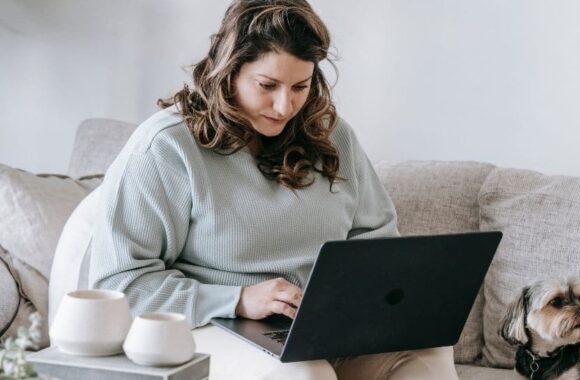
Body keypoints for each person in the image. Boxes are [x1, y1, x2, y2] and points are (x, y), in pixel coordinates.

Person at [88, 0, 459, 378]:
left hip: (321, 326)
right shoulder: (166, 147)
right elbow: (118, 282)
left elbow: (377, 243)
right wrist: (238, 300)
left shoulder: (334, 137)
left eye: (301, 86)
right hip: (209, 324)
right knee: (303, 374)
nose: (285, 106)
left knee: (428, 353)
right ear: (229, 71)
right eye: (267, 85)